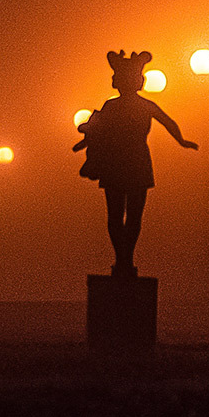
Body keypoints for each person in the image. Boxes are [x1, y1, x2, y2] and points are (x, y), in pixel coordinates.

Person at [78, 50, 195, 276]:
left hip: (119, 165)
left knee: (117, 215)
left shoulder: (113, 106)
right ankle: (125, 258)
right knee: (131, 215)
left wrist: (181, 141)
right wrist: (180, 141)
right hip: (137, 163)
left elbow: (96, 130)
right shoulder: (144, 106)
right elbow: (168, 122)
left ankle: (123, 259)